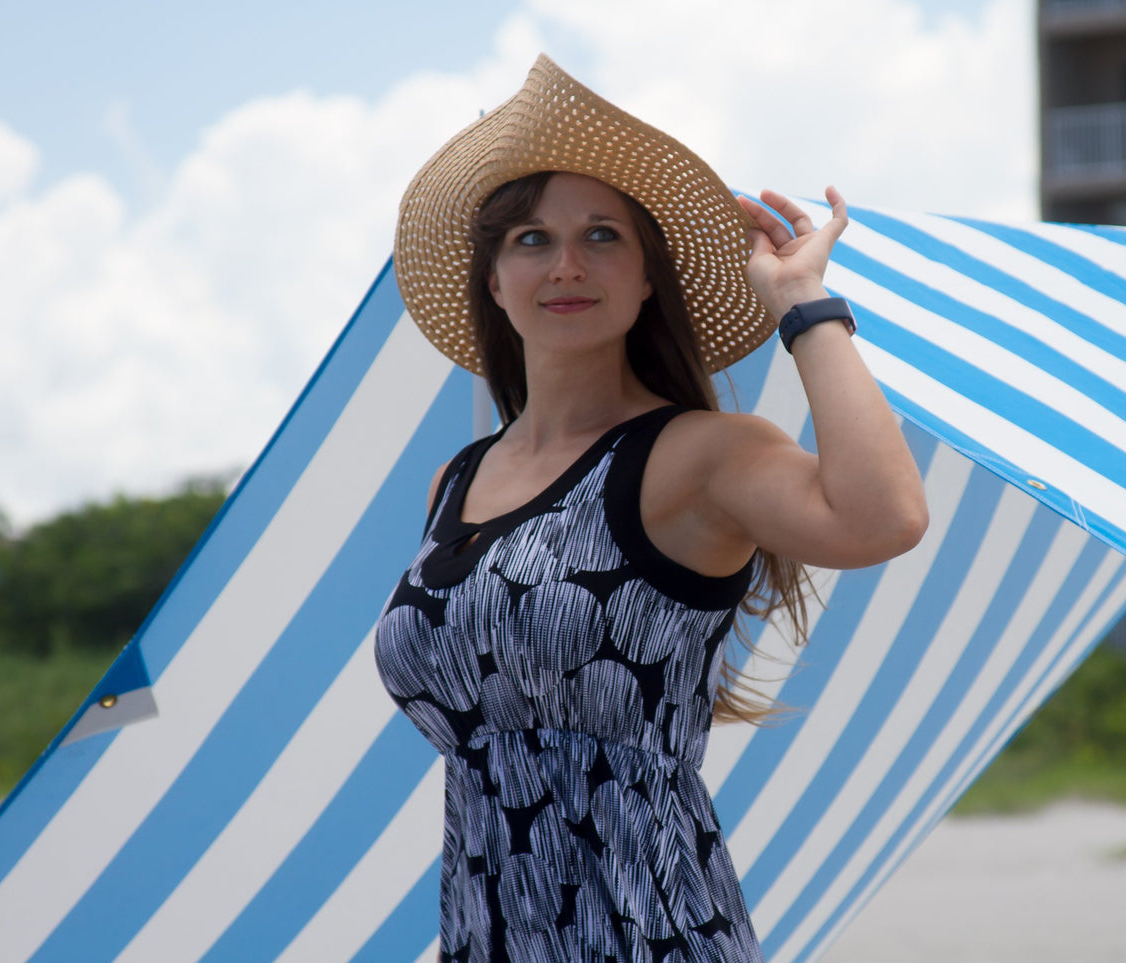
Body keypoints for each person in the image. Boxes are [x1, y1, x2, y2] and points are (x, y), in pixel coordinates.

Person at [375, 55, 928, 963]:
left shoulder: (699, 456)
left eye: (601, 237)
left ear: (644, 281)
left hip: (651, 934)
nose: (564, 264)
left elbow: (884, 518)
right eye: (529, 240)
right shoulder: (456, 481)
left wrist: (802, 302)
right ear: (492, 280)